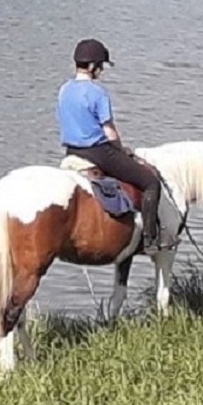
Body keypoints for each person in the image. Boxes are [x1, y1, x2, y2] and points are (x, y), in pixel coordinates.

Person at [57, 38, 169, 252]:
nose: (101, 71)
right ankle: (150, 240)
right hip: (99, 152)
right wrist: (121, 149)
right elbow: (109, 131)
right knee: (151, 182)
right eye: (100, 66)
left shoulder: (64, 90)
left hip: (72, 150)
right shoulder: (97, 93)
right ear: (92, 66)